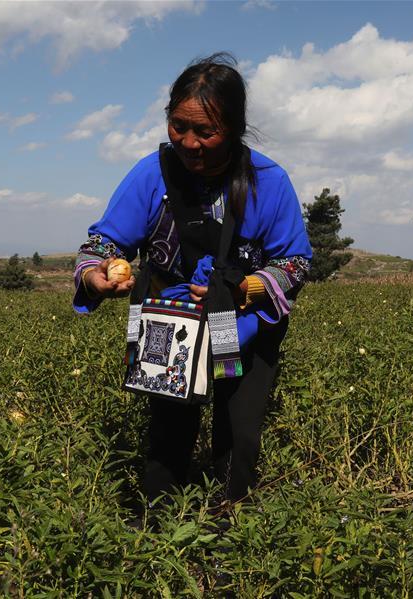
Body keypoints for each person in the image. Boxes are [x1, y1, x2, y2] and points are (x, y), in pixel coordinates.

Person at [72, 53, 312, 510]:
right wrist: (96, 273)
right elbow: (102, 242)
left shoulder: (267, 181)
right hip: (170, 321)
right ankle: (157, 534)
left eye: (206, 131)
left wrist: (246, 289)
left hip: (243, 323)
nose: (189, 142)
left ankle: (229, 539)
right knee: (168, 432)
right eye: (178, 126)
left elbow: (296, 261)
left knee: (238, 435)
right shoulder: (152, 174)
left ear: (236, 128)